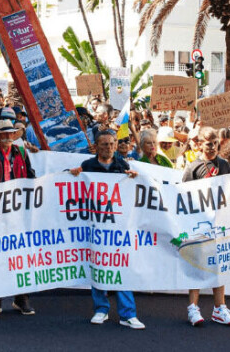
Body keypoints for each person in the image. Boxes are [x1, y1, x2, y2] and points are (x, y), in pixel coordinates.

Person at [69, 131, 145, 329]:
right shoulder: (87, 166)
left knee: (121, 267)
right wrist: (74, 175)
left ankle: (127, 314)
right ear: (97, 146)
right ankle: (101, 309)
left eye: (112, 144)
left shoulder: (123, 166)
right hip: (96, 227)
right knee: (98, 267)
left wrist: (133, 179)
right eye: (104, 144)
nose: (109, 148)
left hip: (118, 228)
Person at [181, 128, 230, 327]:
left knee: (218, 265)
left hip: (219, 224)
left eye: (214, 143)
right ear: (200, 144)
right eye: (207, 143)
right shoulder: (193, 167)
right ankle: (193, 308)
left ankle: (220, 308)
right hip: (198, 223)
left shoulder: (224, 165)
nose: (211, 147)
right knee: (197, 264)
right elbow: (184, 195)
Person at [0, 119, 36, 317]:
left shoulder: (22, 152)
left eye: (10, 133)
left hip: (18, 211)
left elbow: (30, 176)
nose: (7, 137)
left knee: (21, 256)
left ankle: (22, 299)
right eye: (3, 134)